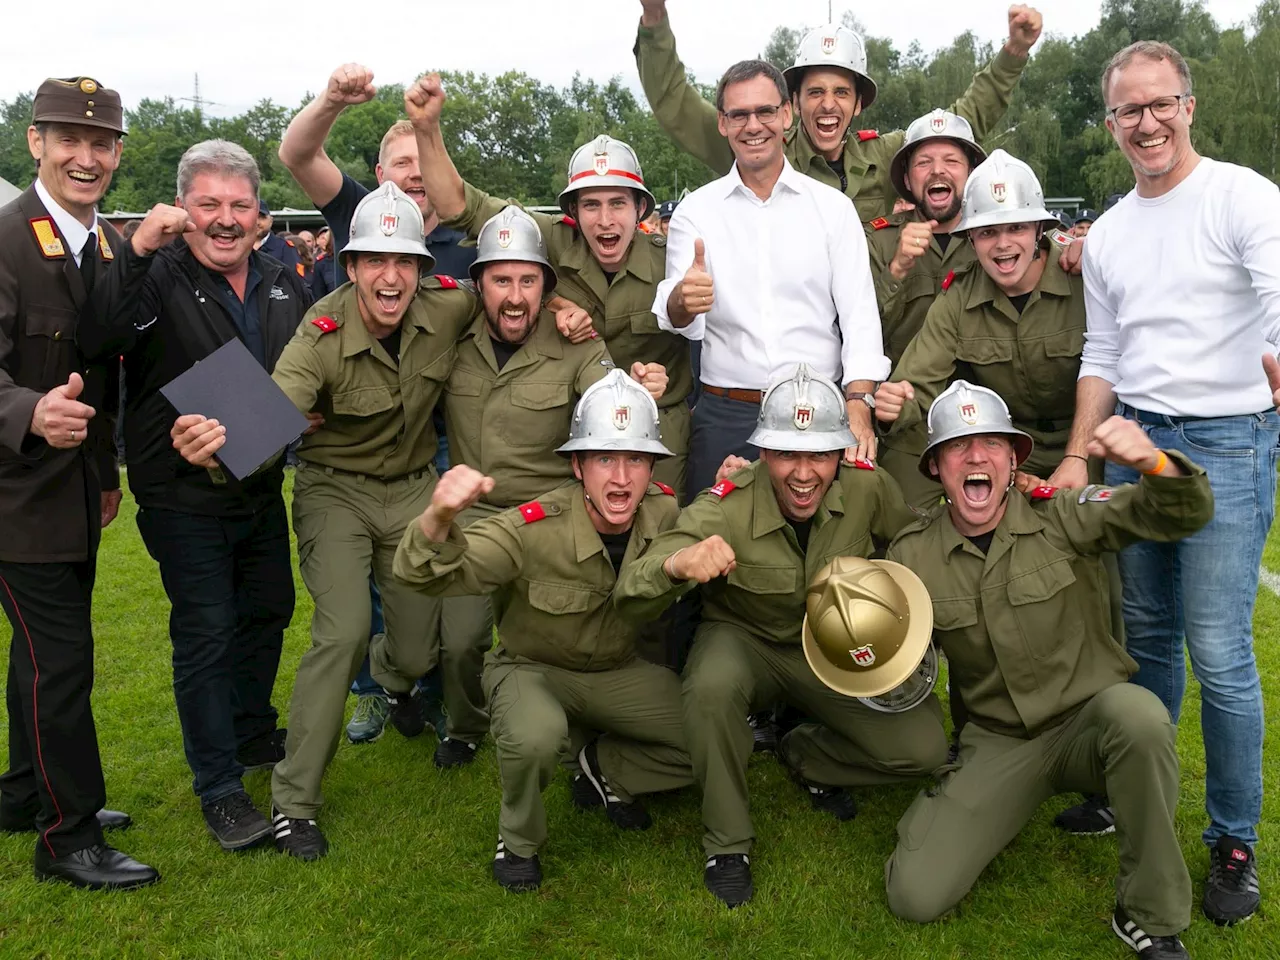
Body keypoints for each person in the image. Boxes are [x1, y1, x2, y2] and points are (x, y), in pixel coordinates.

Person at [173, 182, 473, 860]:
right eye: (374, 260)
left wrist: (568, 312)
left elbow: (515, 302)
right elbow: (272, 414)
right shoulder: (323, 331)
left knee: (421, 651)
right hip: (336, 492)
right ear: (350, 263)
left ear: (424, 270)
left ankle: (394, 682)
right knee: (341, 633)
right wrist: (216, 450)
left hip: (416, 492)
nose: (390, 277)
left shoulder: (451, 307)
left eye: (405, 262)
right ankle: (294, 801)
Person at [1063, 40, 1280, 926]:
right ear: (1110, 122)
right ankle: (1138, 797)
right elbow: (1105, 352)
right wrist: (1081, 450)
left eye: (1161, 104)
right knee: (1145, 635)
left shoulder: (1241, 196)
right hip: (1132, 441)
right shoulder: (1111, 231)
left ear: (1189, 105)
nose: (1145, 123)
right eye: (1127, 111)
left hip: (1227, 442)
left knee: (1219, 647)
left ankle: (1234, 840)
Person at [881, 381, 1211, 960]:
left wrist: (1153, 463)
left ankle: (1149, 915)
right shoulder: (912, 555)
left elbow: (1181, 512)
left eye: (991, 443)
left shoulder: (1063, 514)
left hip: (1092, 723)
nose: (976, 456)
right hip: (1000, 740)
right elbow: (901, 664)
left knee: (1140, 716)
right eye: (958, 446)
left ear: (1014, 460)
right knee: (914, 895)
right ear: (936, 467)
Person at [614, 364, 943, 908]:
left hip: (834, 649)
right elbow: (632, 587)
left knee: (925, 747)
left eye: (818, 454)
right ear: (764, 453)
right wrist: (678, 563)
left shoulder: (866, 488)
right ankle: (727, 843)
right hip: (746, 641)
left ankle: (804, 753)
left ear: (841, 452)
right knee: (712, 689)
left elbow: (915, 541)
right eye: (788, 453)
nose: (803, 473)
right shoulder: (725, 503)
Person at [81, 140, 308, 852]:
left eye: (239, 205)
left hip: (261, 481)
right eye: (208, 204)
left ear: (259, 214)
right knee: (206, 632)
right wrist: (139, 251)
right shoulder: (155, 276)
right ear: (184, 209)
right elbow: (101, 333)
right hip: (181, 495)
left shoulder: (281, 278)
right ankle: (218, 786)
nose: (225, 219)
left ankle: (248, 732)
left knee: (269, 607)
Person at [394, 371, 692, 892]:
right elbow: (422, 572)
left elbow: (709, 531)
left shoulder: (663, 511)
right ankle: (519, 840)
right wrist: (439, 517)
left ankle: (605, 768)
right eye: (604, 458)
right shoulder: (533, 527)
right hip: (533, 670)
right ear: (577, 465)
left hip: (615, 672)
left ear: (652, 468)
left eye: (636, 460)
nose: (621, 478)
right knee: (535, 738)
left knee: (716, 734)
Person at [0, 75, 157, 890]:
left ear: (119, 154)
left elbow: (94, 375)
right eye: (69, 140)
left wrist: (101, 475)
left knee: (40, 660)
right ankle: (67, 835)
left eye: (101, 144)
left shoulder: (100, 245)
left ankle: (26, 792)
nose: (86, 157)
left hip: (69, 495)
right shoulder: (5, 237)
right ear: (36, 143)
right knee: (60, 666)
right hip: (14, 500)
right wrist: (28, 411)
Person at [405, 73, 693, 499]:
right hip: (576, 431)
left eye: (618, 203)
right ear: (573, 211)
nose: (605, 219)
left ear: (640, 208)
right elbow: (457, 205)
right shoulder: (547, 237)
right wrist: (426, 128)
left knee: (659, 537)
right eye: (591, 205)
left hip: (657, 424)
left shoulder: (672, 255)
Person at [652, 58, 886, 499]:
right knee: (713, 551)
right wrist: (683, 298)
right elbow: (681, 318)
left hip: (818, 409)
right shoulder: (695, 213)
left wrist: (859, 402)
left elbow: (859, 317)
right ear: (722, 123)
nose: (752, 125)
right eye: (738, 114)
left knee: (826, 545)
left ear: (786, 115)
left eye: (764, 112)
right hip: (727, 414)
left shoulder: (832, 209)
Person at [634, 1, 1040, 221]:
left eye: (842, 92)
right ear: (793, 104)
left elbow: (961, 123)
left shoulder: (884, 157)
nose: (828, 104)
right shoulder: (759, 146)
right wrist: (655, 19)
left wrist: (1015, 52)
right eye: (815, 92)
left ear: (858, 103)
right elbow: (676, 105)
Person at [874, 149, 1082, 508]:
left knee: (1103, 532)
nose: (1002, 244)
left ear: (1040, 229)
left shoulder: (1083, 277)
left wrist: (1079, 458)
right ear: (970, 241)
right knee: (899, 485)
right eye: (987, 232)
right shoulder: (958, 297)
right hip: (1008, 442)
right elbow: (918, 384)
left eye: (1016, 227)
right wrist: (896, 405)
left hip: (1085, 442)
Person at [254, 200, 303, 277]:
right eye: (253, 217)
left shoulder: (284, 248)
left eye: (261, 217)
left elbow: (297, 281)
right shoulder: (237, 246)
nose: (257, 222)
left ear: (271, 221)